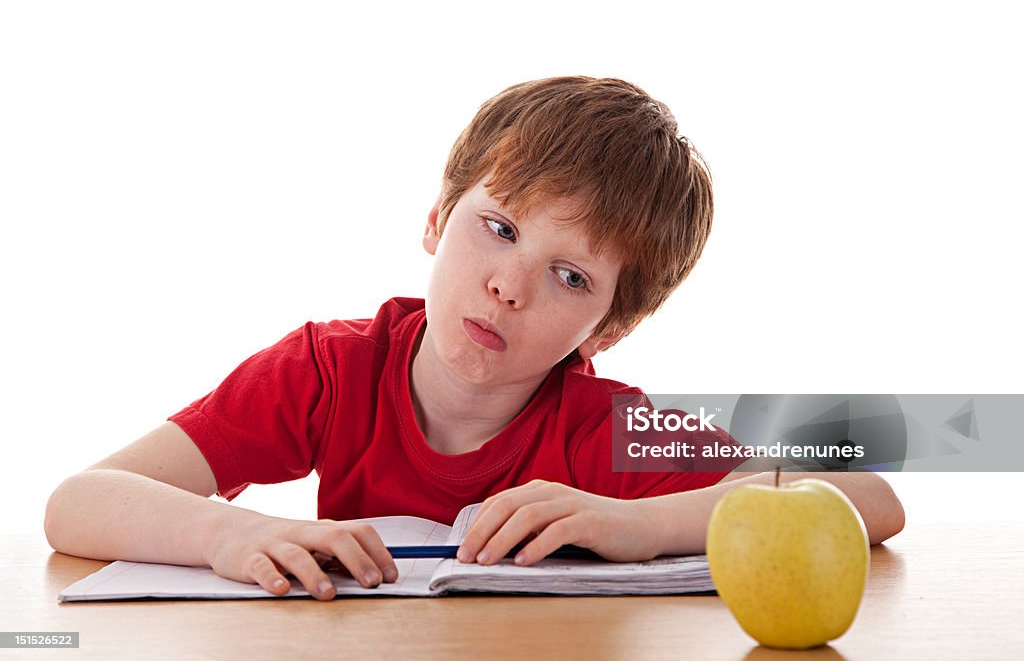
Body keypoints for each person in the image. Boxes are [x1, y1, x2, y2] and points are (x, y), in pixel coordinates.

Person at [44, 76, 905, 601]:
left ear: (609, 324)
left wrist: (640, 524)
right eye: (497, 229)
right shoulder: (328, 370)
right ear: (435, 217)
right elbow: (78, 502)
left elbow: (866, 497)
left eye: (570, 277)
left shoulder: (599, 427)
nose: (509, 286)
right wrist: (223, 535)